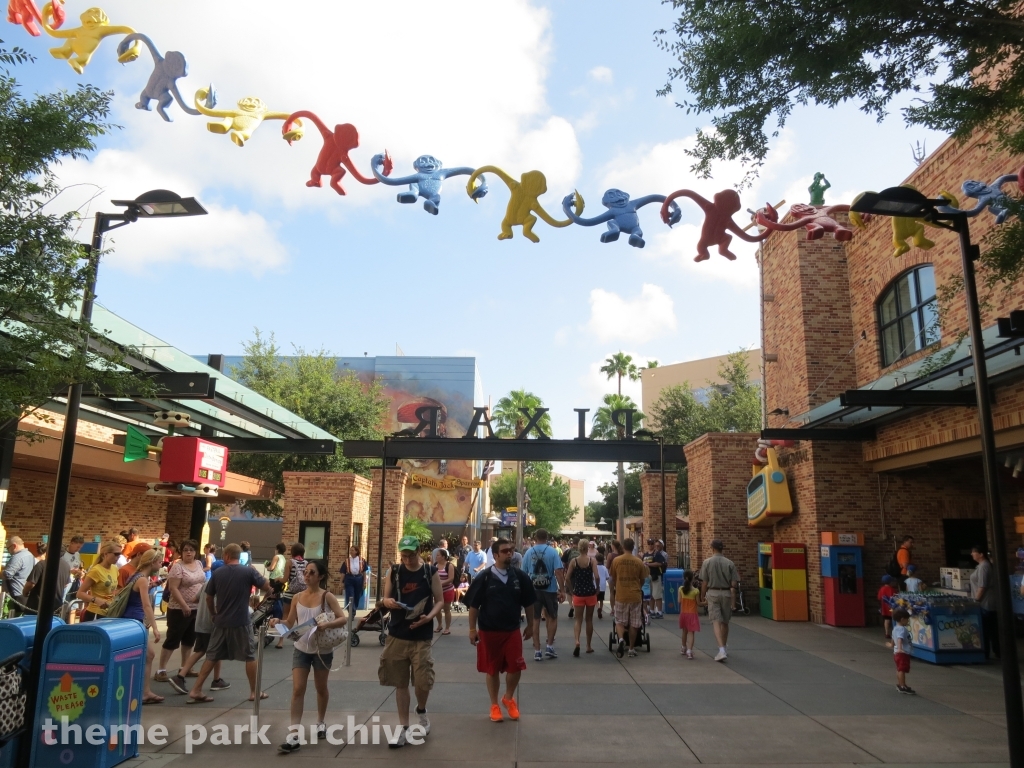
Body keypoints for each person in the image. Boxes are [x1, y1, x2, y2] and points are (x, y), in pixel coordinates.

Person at [271, 559, 347, 754]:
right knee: (298, 689)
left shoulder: (327, 597)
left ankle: (320, 722)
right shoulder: (297, 597)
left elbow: (342, 617)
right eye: (305, 572)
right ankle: (294, 734)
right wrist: (277, 621)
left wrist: (326, 625)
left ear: (320, 576)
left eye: (311, 572)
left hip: (322, 651)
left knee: (320, 688)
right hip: (301, 648)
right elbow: (290, 622)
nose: (307, 575)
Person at [379, 535, 443, 748]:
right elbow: (385, 599)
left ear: (419, 552)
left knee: (423, 681)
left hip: (421, 635)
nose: (407, 560)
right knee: (400, 682)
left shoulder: (429, 572)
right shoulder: (394, 571)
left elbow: (440, 600)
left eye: (411, 555)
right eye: (403, 556)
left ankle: (421, 710)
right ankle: (404, 728)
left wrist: (430, 616)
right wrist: (387, 601)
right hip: (397, 633)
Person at [187, 543, 269, 704]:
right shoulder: (248, 571)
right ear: (238, 556)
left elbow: (209, 597)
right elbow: (267, 587)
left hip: (221, 621)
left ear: (226, 556)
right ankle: (254, 691)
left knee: (211, 655)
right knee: (250, 656)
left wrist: (213, 614)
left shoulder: (218, 573)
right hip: (241, 620)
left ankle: (196, 689)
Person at [466, 537, 536, 723]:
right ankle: (494, 705)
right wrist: (472, 629)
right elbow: (474, 606)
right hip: (489, 631)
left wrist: (531, 625)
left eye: (511, 550)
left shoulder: (520, 577)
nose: (509, 554)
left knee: (516, 666)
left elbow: (529, 603)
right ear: (495, 555)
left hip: (512, 629)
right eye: (505, 551)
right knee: (492, 669)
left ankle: (508, 697)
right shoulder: (485, 577)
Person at [155, 539, 204, 684]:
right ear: (181, 552)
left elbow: (201, 582)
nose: (188, 552)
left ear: (196, 552)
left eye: (191, 550)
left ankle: (185, 667)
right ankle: (161, 670)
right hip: (179, 609)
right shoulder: (178, 567)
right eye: (185, 550)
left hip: (196, 608)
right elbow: (173, 588)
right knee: (173, 639)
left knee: (189, 640)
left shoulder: (199, 564)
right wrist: (184, 605)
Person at [120, 549, 164, 704]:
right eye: (159, 562)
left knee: (148, 655)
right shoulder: (142, 580)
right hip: (135, 621)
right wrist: (155, 627)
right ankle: (143, 691)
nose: (161, 564)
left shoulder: (136, 576)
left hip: (131, 620)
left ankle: (144, 691)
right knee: (147, 655)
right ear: (152, 562)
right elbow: (146, 606)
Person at [167, 577, 225, 695]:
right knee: (213, 651)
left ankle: (216, 679)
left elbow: (194, 599)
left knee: (202, 650)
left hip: (200, 622)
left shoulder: (207, 583)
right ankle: (181, 677)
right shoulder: (220, 584)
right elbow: (215, 603)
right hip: (211, 624)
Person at [522, 529, 565, 661]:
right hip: (550, 589)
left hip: (534, 590)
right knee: (552, 617)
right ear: (547, 537)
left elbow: (524, 573)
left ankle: (537, 650)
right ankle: (550, 646)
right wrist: (562, 590)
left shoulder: (529, 552)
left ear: (535, 538)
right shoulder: (552, 551)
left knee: (535, 619)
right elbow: (558, 571)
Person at [697, 539, 740, 662]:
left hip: (713, 592)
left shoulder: (707, 562)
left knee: (716, 621)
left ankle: (721, 649)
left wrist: (702, 595)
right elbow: (734, 583)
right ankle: (724, 647)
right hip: (726, 592)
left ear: (712, 548)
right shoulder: (730, 563)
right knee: (725, 622)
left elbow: (704, 582)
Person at [609, 538, 648, 658]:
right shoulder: (638, 561)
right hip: (635, 595)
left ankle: (621, 639)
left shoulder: (616, 560)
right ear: (633, 547)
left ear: (623, 547)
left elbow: (613, 577)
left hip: (621, 595)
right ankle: (631, 648)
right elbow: (642, 579)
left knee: (619, 621)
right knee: (634, 623)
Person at [565, 537, 599, 656]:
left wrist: (571, 589)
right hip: (590, 592)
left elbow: (567, 578)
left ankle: (577, 641)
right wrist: (597, 587)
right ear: (587, 548)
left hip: (578, 592)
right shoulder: (592, 561)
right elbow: (597, 576)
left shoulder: (574, 561)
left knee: (578, 619)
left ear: (579, 548)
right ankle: (588, 646)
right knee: (589, 619)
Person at [77, 541, 122, 621]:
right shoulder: (96, 570)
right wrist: (95, 600)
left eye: (120, 554)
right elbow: (80, 593)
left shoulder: (115, 569)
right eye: (116, 554)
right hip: (95, 613)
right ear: (105, 554)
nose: (118, 557)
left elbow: (113, 590)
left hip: (110, 612)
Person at [969, 546, 999, 660]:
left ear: (981, 554)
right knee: (990, 629)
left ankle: (987, 652)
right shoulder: (981, 566)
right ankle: (995, 651)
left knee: (986, 629)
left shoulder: (984, 567)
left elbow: (983, 585)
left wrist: (976, 600)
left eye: (974, 552)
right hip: (985, 601)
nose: (972, 554)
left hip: (985, 602)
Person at [276, 543, 308, 649]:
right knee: (300, 617)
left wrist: (278, 579)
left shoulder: (290, 562)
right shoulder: (306, 563)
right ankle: (302, 640)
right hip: (302, 594)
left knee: (285, 616)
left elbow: (285, 579)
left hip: (290, 593)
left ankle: (281, 641)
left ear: (292, 552)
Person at [23, 546, 72, 613]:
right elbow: (66, 584)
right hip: (56, 605)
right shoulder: (66, 566)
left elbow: (31, 583)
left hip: (38, 605)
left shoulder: (41, 564)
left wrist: (25, 592)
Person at [3, 537, 35, 613]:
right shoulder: (30, 555)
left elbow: (7, 574)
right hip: (23, 593)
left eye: (8, 548)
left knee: (9, 618)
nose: (8, 551)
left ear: (14, 546)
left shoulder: (17, 557)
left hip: (14, 595)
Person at [678, 569, 701, 659]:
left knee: (684, 632)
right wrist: (706, 602)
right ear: (692, 579)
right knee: (691, 633)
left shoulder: (680, 589)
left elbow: (679, 601)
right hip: (692, 614)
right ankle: (689, 651)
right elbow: (699, 603)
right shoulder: (696, 591)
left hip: (684, 613)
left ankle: (683, 647)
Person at [891, 607, 914, 694]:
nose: (908, 621)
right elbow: (900, 639)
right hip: (902, 653)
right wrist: (900, 648)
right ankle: (902, 686)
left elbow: (893, 638)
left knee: (899, 669)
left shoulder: (895, 628)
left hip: (896, 652)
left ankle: (900, 684)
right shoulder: (901, 629)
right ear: (902, 619)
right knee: (902, 669)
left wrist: (892, 644)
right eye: (907, 620)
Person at [339, 545, 368, 609]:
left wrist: (364, 582)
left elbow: (364, 572)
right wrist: (341, 582)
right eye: (350, 550)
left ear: (356, 551)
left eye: (352, 550)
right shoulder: (346, 561)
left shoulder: (362, 560)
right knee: (350, 595)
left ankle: (354, 608)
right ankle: (351, 611)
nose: (350, 552)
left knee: (357, 595)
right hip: (349, 578)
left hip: (359, 578)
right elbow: (343, 572)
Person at [434, 549, 455, 635]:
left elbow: (451, 578)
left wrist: (441, 583)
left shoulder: (449, 565)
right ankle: (439, 625)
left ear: (443, 557)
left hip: (448, 590)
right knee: (437, 609)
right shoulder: (435, 565)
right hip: (438, 591)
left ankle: (447, 628)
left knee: (446, 609)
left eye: (438, 555)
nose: (436, 557)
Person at [878, 575, 896, 647]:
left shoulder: (881, 589)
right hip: (891, 606)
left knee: (886, 619)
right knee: (892, 619)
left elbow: (879, 597)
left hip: (884, 606)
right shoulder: (892, 589)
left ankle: (887, 633)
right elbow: (895, 597)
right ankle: (893, 633)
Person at [606, 540, 622, 608]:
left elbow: (607, 566)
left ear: (613, 546)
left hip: (612, 575)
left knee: (612, 592)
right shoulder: (621, 554)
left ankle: (612, 609)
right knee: (620, 592)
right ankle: (619, 607)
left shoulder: (610, 555)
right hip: (620, 575)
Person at [596, 553, 608, 620]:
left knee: (595, 599)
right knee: (601, 599)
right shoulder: (604, 568)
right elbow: (607, 577)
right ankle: (601, 608)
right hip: (603, 585)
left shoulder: (595, 567)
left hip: (596, 585)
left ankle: (598, 608)